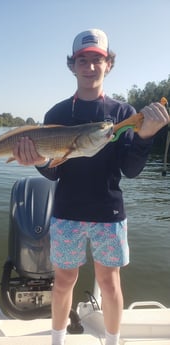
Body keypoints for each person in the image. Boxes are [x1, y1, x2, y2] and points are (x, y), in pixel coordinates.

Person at [13, 29, 169, 345]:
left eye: (97, 59)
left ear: (109, 64)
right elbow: (54, 174)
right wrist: (39, 162)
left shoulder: (124, 114)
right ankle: (57, 340)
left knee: (110, 284)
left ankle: (112, 342)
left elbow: (131, 170)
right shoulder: (56, 114)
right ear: (72, 66)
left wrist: (146, 137)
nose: (90, 66)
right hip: (67, 211)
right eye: (83, 60)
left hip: (109, 213)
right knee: (63, 282)